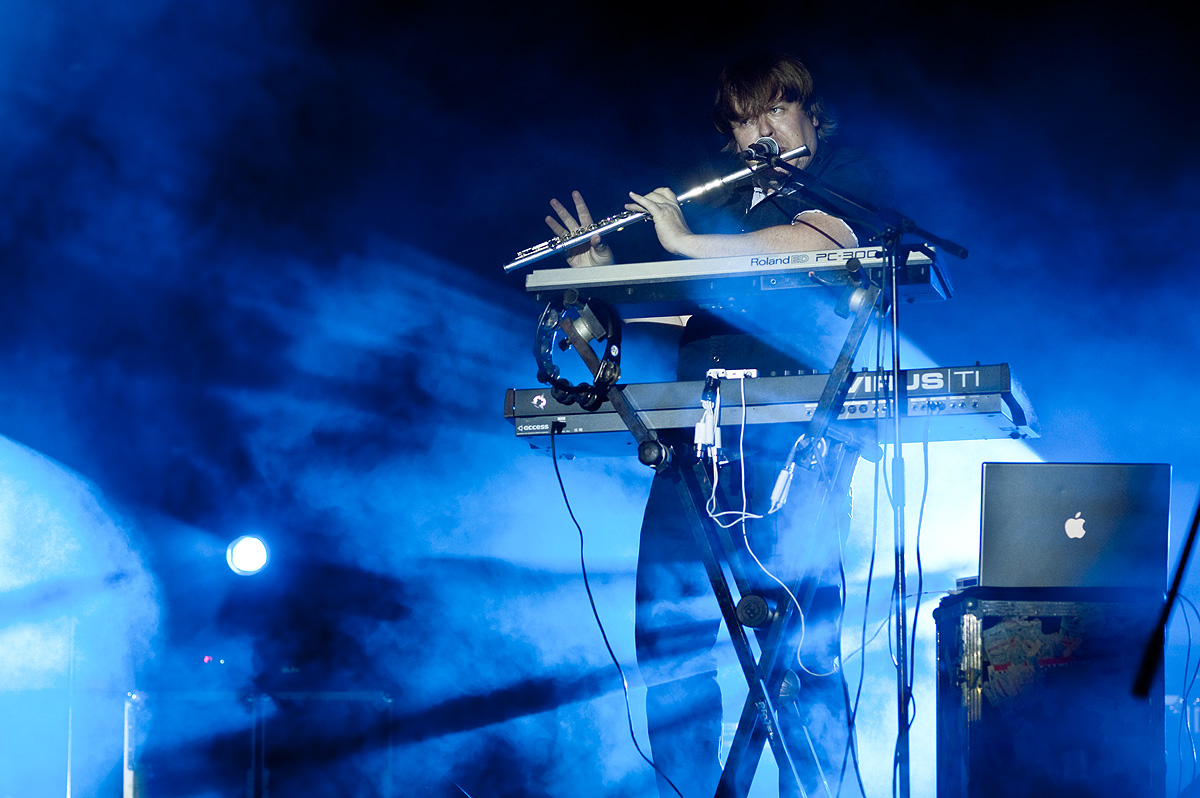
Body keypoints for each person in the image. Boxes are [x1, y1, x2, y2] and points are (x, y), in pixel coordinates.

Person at [545, 53, 891, 798]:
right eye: (743, 121)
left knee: (801, 647)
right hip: (694, 445)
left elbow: (815, 244)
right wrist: (595, 276)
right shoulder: (716, 208)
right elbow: (650, 320)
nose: (761, 131)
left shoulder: (845, 174)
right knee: (667, 636)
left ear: (811, 117)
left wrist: (684, 244)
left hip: (798, 443)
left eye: (776, 110)